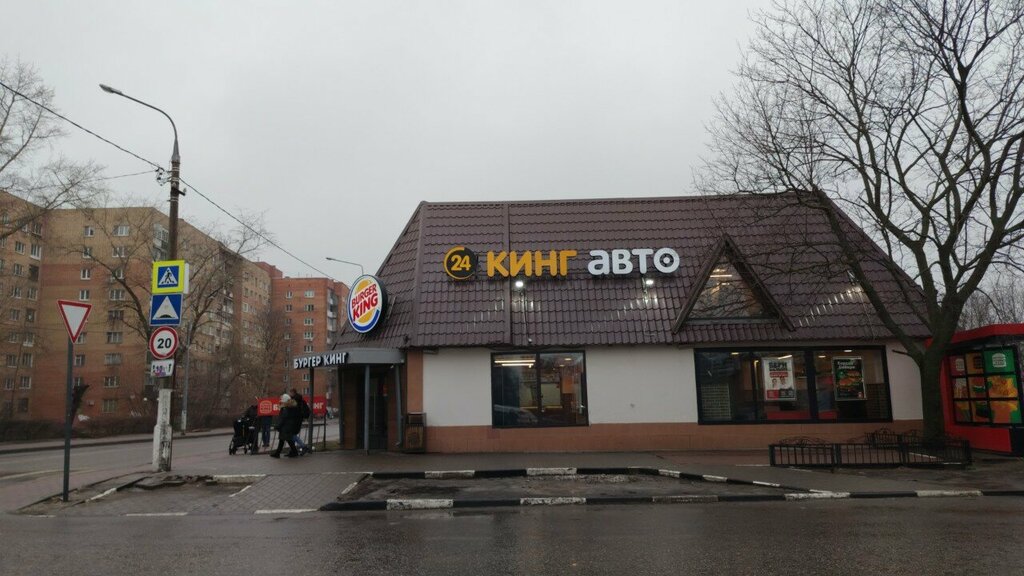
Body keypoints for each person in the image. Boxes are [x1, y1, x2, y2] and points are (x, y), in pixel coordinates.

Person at [270, 393, 301, 458]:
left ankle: (279, 453)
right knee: (286, 440)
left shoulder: (285, 408)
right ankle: (280, 453)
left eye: (282, 401)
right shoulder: (291, 407)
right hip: (288, 426)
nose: (281, 402)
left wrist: (278, 426)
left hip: (285, 427)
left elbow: (283, 418)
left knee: (285, 440)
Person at [289, 388, 312, 455]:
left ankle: (303, 447)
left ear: (293, 392)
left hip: (295, 420)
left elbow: (293, 410)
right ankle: (293, 450)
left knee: (292, 435)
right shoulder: (300, 400)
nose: (290, 394)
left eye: (290, 392)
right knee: (293, 435)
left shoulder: (295, 400)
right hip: (298, 419)